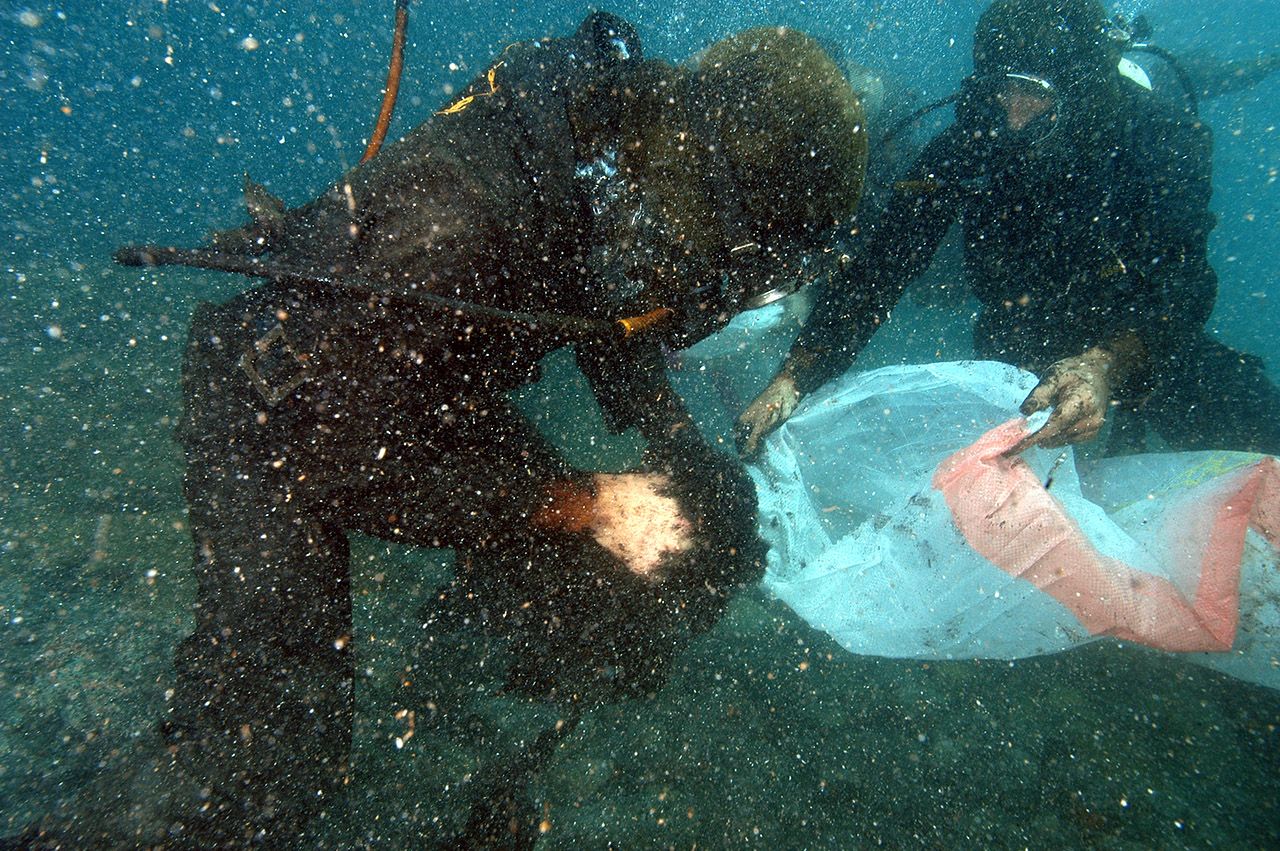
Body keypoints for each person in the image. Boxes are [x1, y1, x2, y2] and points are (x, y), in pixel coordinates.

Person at [12, 13, 867, 849]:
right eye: (757, 262)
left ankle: (450, 695)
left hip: (409, 389)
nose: (746, 287)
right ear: (726, 190)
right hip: (284, 412)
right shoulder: (462, 213)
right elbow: (341, 453)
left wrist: (678, 449)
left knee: (608, 562)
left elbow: (601, 301)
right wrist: (591, 501)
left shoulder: (611, 151)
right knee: (261, 771)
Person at [735, 0, 1280, 462]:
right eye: (1001, 90)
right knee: (992, 471)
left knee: (1253, 427)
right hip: (1022, 327)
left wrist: (1104, 364)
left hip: (1144, 332)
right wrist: (795, 376)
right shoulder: (973, 141)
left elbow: (1183, 286)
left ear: (1082, 90)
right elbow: (880, 271)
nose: (1013, 115)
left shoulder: (1161, 142)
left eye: (1036, 92)